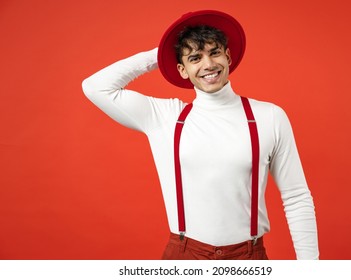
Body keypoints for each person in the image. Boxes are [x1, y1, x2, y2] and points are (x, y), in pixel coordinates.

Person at [82, 10, 319, 260]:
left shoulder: (269, 116)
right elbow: (95, 86)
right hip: (184, 257)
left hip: (248, 258)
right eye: (195, 57)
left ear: (228, 57)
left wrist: (309, 268)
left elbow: (296, 197)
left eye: (214, 52)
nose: (208, 65)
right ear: (182, 70)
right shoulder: (165, 116)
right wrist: (160, 52)